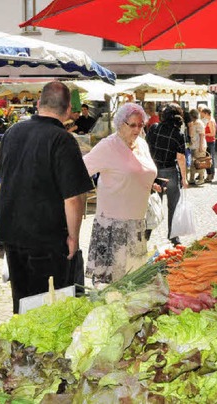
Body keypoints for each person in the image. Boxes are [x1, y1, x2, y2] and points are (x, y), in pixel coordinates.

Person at [0, 81, 94, 314]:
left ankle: (22, 347)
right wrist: (73, 237)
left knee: (23, 303)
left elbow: (3, 178)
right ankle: (39, 350)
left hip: (13, 235)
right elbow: (73, 198)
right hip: (48, 239)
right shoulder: (63, 140)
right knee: (50, 308)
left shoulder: (11, 133)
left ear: (39, 103)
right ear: (69, 110)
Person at [83, 103, 158, 286]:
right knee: (111, 286)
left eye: (141, 125)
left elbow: (140, 171)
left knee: (133, 283)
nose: (138, 129)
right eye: (132, 125)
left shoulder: (141, 144)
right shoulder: (108, 146)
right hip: (113, 226)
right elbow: (80, 170)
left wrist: (149, 184)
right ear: (120, 124)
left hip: (137, 223)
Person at [146, 103, 188, 245]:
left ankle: (147, 231)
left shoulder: (154, 128)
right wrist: (184, 178)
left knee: (152, 203)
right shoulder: (178, 134)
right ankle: (173, 236)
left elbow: (146, 148)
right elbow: (181, 158)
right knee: (173, 206)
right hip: (170, 171)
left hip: (153, 171)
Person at [187, 108, 207, 185]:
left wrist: (201, 146)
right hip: (194, 145)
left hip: (199, 146)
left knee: (200, 162)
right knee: (193, 163)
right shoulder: (193, 123)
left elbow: (202, 135)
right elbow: (191, 135)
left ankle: (201, 178)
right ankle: (191, 178)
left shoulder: (199, 123)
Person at [200, 107, 217, 182]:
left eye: (203, 113)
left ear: (206, 113)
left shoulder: (211, 121)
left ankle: (211, 174)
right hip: (208, 141)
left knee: (210, 159)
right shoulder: (209, 120)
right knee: (208, 158)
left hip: (210, 142)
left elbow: (213, 133)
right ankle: (209, 174)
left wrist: (204, 134)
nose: (202, 114)